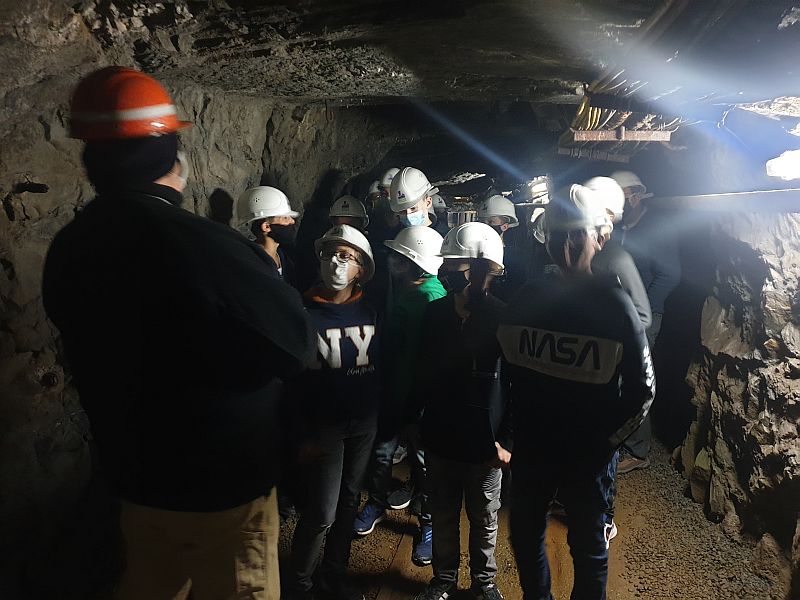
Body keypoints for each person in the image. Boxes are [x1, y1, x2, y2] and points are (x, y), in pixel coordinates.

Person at [42, 66, 315, 600]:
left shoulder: (71, 247)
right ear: (169, 153)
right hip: (224, 487)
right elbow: (294, 344)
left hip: (139, 481)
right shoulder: (204, 245)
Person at [497, 184, 655, 600]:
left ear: (599, 238)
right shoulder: (528, 299)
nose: (566, 247)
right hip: (535, 447)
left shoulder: (615, 306)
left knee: (588, 547)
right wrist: (507, 433)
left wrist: (605, 443)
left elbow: (642, 390)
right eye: (557, 236)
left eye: (576, 235)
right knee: (524, 535)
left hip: (586, 454)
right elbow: (505, 372)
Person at [413, 223, 512, 600]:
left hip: (486, 441)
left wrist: (507, 440)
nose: (446, 271)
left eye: (454, 264)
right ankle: (444, 580)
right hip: (442, 434)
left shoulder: (504, 319)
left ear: (478, 267)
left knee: (484, 517)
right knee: (443, 513)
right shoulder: (436, 314)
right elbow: (423, 372)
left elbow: (516, 385)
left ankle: (483, 582)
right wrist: (414, 421)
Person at [287, 225, 380, 600]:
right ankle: (300, 586)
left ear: (361, 269)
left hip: (363, 422)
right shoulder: (303, 313)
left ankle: (333, 576)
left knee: (348, 503)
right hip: (324, 427)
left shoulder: (370, 311)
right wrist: (301, 434)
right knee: (321, 512)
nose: (336, 263)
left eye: (346, 257)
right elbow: (292, 382)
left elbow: (381, 366)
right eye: (329, 254)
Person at [354, 226, 446, 566]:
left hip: (419, 397)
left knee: (423, 463)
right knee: (382, 453)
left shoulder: (431, 299)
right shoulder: (405, 289)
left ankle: (429, 523)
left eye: (399, 257)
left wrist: (420, 402)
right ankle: (378, 503)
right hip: (393, 390)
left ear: (414, 263)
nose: (391, 261)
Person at [610, 170, 680, 473]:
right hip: (618, 313)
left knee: (636, 380)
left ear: (636, 197)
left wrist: (644, 312)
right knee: (616, 376)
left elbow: (670, 275)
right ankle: (620, 438)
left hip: (645, 318)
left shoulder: (656, 228)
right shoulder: (619, 227)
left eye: (622, 197)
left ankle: (638, 451)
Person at [239, 185, 300, 287]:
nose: (292, 221)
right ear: (266, 227)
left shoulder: (282, 257)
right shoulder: (253, 263)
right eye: (285, 218)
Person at [476, 194, 527, 301]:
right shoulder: (473, 252)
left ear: (505, 226)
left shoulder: (515, 257)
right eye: (482, 221)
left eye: (491, 222)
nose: (485, 226)